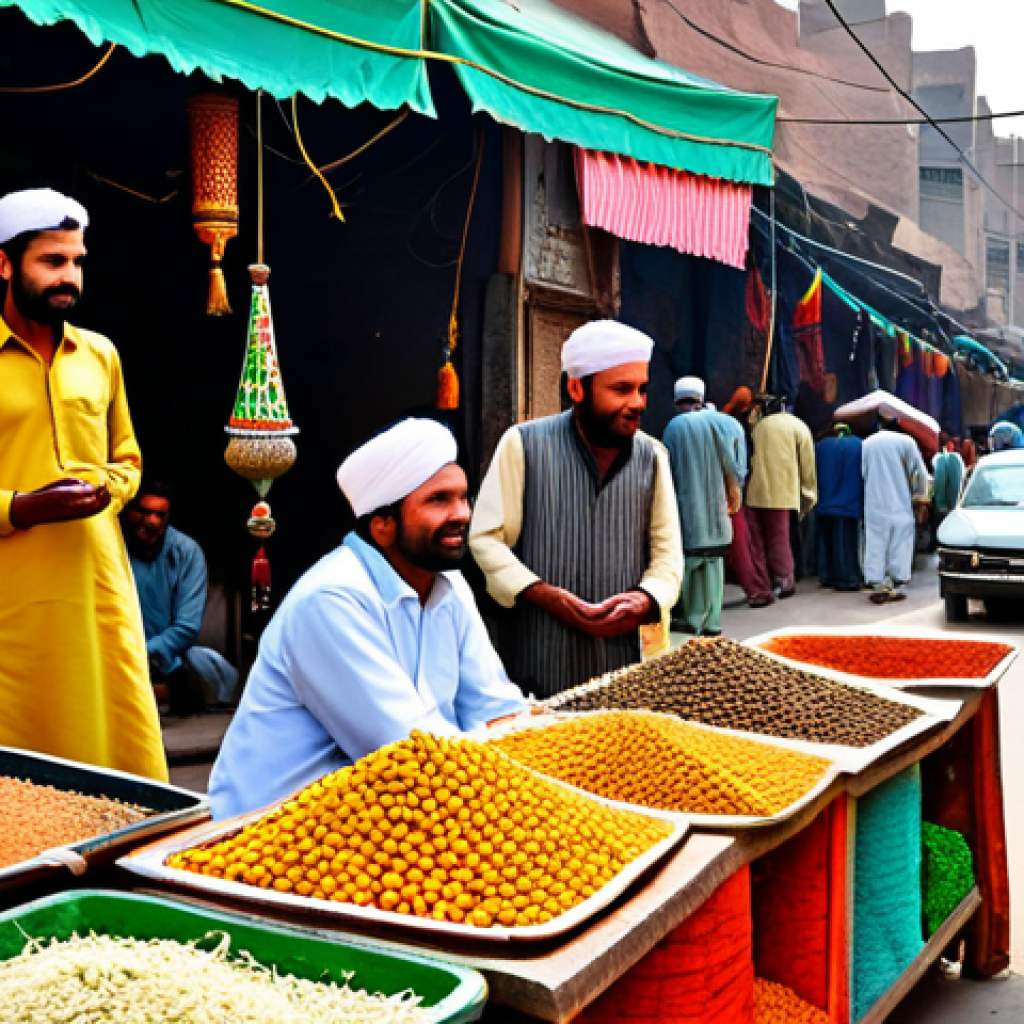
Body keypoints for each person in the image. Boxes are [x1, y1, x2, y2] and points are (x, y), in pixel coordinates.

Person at [209, 419, 527, 819]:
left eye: (464, 497)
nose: (461, 514)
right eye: (438, 500)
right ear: (383, 526)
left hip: (392, 811)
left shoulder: (452, 588)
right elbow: (409, 754)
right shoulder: (331, 600)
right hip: (276, 827)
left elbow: (499, 712)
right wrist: (499, 749)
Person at [0, 188, 166, 781]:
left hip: (98, 586)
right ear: (5, 264)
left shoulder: (100, 355)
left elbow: (127, 458)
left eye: (76, 262)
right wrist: (25, 507)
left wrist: (107, 493)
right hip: (15, 595)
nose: (68, 277)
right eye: (52, 261)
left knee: (111, 739)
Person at [469, 320, 682, 698]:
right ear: (576, 388)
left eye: (642, 389)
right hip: (537, 654)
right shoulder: (523, 444)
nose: (637, 403)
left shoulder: (653, 457)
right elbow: (486, 538)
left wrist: (645, 598)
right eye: (621, 389)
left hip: (622, 661)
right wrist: (543, 594)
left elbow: (667, 556)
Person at [122, 479, 239, 716]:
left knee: (209, 671)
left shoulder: (186, 552)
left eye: (160, 515)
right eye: (144, 512)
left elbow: (186, 627)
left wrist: (143, 654)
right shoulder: (112, 549)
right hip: (114, 655)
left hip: (165, 658)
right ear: (127, 511)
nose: (152, 522)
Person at [662, 376, 744, 636]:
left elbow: (667, 471)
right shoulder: (725, 423)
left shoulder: (675, 427)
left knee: (690, 568)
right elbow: (738, 468)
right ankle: (713, 622)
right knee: (714, 567)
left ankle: (691, 618)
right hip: (719, 514)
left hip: (689, 511)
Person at [744, 396, 817, 604]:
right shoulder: (798, 426)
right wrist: (809, 494)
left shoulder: (758, 428)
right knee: (779, 538)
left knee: (756, 542)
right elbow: (807, 464)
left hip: (754, 492)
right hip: (783, 493)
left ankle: (762, 585)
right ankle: (785, 581)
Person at [861, 415, 930, 604]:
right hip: (900, 504)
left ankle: (877, 583)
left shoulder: (867, 444)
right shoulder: (907, 442)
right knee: (900, 544)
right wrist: (921, 498)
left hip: (874, 504)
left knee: (875, 543)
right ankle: (896, 584)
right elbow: (920, 474)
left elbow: (862, 473)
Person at [815, 423, 863, 591]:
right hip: (849, 502)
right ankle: (848, 578)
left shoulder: (820, 446)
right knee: (846, 543)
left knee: (826, 541)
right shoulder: (858, 444)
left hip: (824, 501)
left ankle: (827, 575)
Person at [932, 434, 964, 522]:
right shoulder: (955, 458)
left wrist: (941, 505)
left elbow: (940, 482)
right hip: (955, 506)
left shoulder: (941, 459)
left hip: (944, 507)